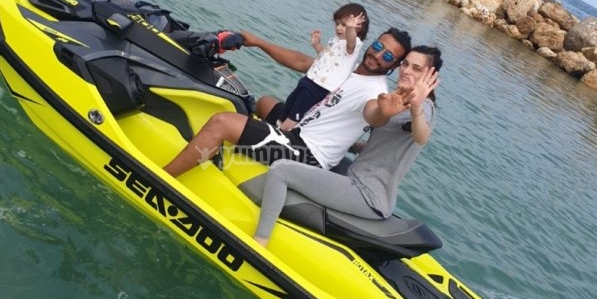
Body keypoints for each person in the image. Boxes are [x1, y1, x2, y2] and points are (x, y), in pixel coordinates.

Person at [253, 45, 443, 247]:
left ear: (430, 77)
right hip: (357, 176)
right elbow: (383, 146)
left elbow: (421, 136)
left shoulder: (424, 107)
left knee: (281, 171)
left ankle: (259, 243)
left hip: (367, 193)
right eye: (405, 64)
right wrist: (351, 145)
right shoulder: (399, 99)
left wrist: (416, 108)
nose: (406, 70)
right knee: (320, 155)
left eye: (416, 68)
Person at [162, 28, 413, 178]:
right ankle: (240, 147)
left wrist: (383, 113)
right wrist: (257, 42)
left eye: (387, 56)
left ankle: (163, 178)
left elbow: (373, 113)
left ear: (394, 65)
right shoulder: (351, 68)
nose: (378, 55)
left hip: (307, 154)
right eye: (378, 46)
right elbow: (302, 62)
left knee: (221, 123)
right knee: (264, 103)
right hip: (301, 131)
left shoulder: (376, 91)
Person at [274, 3, 369, 131]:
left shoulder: (353, 45)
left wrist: (350, 28)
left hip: (320, 87)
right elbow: (326, 57)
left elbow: (351, 39)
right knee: (290, 102)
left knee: (296, 112)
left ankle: (282, 132)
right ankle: (278, 125)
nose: (339, 28)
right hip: (310, 78)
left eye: (344, 25)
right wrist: (317, 44)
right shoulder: (335, 40)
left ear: (358, 28)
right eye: (337, 23)